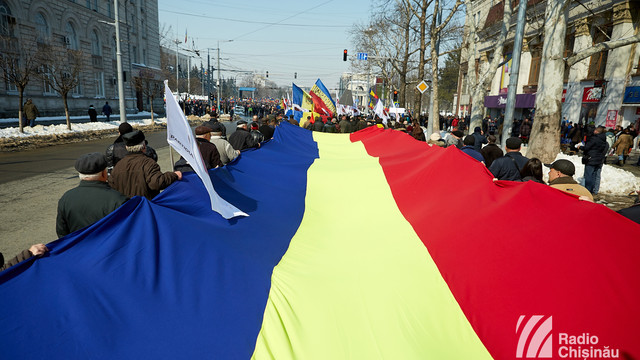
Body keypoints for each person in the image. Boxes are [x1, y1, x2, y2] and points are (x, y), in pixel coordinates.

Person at [57, 152, 128, 238]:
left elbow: (62, 233)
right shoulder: (118, 199)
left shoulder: (66, 198)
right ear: (103, 174)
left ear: (80, 175)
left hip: (79, 248)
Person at [110, 130, 182, 200]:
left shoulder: (118, 166)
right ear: (144, 146)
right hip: (145, 208)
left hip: (126, 209)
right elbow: (156, 182)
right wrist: (174, 175)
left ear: (126, 148)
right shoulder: (148, 163)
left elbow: (111, 186)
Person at [582, 126, 608, 195]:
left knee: (588, 175)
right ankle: (593, 190)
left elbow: (587, 147)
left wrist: (580, 147)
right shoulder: (603, 139)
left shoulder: (594, 139)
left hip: (591, 158)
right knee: (594, 175)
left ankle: (588, 190)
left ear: (596, 131)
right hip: (599, 159)